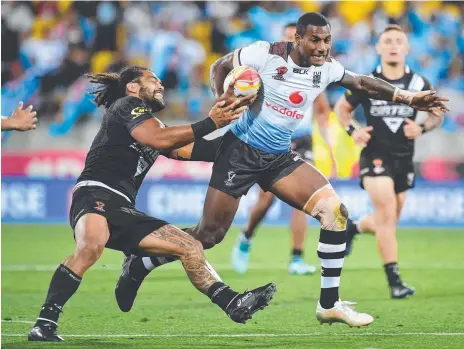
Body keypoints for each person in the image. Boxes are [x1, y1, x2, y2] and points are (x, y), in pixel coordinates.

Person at [117, 13, 448, 328]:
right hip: (239, 153)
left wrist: (409, 97)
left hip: (279, 157)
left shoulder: (327, 68)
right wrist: (220, 100)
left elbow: (363, 83)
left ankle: (329, 304)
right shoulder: (265, 54)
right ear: (298, 38)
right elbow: (220, 65)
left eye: (327, 40)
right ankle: (142, 262)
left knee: (335, 212)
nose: (322, 47)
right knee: (209, 236)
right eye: (315, 40)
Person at [28, 66, 276, 342]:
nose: (160, 85)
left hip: (124, 208)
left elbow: (193, 148)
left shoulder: (154, 125)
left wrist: (243, 132)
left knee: (190, 246)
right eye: (153, 80)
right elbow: (158, 139)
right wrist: (211, 122)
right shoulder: (126, 105)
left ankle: (232, 303)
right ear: (133, 87)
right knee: (91, 247)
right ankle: (45, 323)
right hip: (95, 193)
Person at [334, 25, 445, 299]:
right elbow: (342, 108)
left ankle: (354, 228)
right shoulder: (368, 81)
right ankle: (394, 280)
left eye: (399, 41)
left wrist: (423, 129)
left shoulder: (419, 84)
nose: (393, 45)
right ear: (378, 48)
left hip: (404, 159)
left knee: (389, 220)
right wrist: (353, 131)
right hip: (375, 156)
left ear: (406, 48)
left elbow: (437, 112)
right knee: (386, 215)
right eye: (388, 41)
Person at [231, 22, 335, 276]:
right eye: (289, 38)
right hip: (271, 141)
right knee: (266, 199)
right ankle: (246, 236)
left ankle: (297, 258)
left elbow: (322, 111)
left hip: (301, 140)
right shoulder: (269, 69)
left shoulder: (315, 72)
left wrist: (330, 146)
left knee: (304, 199)